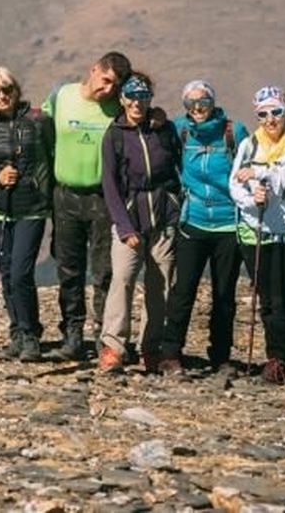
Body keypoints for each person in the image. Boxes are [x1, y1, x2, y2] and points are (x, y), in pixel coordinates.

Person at [40, 51, 131, 361]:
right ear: (94, 69)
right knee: (68, 267)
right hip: (64, 194)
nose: (107, 89)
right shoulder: (61, 96)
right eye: (105, 80)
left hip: (102, 197)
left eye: (115, 85)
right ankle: (72, 333)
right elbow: (37, 125)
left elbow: (141, 114)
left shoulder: (117, 108)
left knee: (104, 269)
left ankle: (104, 336)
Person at [154, 80, 249, 372]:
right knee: (183, 290)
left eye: (204, 102)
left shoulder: (234, 132)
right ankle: (170, 353)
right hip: (192, 222)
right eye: (191, 104)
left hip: (227, 225)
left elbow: (251, 163)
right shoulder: (180, 130)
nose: (198, 109)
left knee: (224, 294)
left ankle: (220, 356)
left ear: (213, 102)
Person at [230, 85, 285, 384]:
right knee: (267, 299)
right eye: (263, 114)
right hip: (258, 229)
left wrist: (263, 175)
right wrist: (252, 199)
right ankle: (276, 357)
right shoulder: (249, 146)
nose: (270, 119)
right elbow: (235, 185)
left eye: (276, 112)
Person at [98, 72, 182, 372]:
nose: (137, 103)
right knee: (122, 280)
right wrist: (124, 226)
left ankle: (152, 349)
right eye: (132, 97)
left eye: (143, 97)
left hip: (163, 217)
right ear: (122, 99)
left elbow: (177, 166)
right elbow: (109, 184)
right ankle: (113, 347)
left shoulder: (164, 129)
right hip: (129, 219)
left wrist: (176, 208)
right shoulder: (115, 134)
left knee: (160, 285)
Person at [0, 67, 54, 362]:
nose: (2, 97)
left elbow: (51, 155)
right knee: (7, 273)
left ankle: (31, 333)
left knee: (21, 272)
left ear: (16, 89)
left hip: (31, 208)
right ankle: (17, 333)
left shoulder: (38, 121)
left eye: (6, 90)